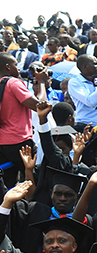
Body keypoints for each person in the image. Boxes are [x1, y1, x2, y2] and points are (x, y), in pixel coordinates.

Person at [0, 52, 47, 190]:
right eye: (16, 64)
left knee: (6, 184)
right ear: (7, 67)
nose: (19, 68)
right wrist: (42, 83)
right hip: (20, 142)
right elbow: (40, 106)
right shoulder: (13, 83)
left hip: (2, 143)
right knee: (35, 181)